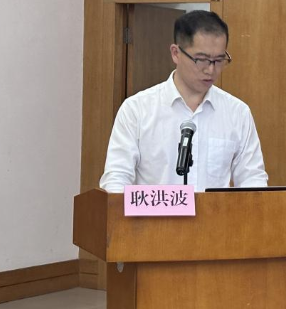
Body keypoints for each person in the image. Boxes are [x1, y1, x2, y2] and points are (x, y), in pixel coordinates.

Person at [99, 10, 268, 192]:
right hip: (155, 212)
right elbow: (116, 180)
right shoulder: (137, 109)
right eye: (201, 60)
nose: (211, 70)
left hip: (215, 212)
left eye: (219, 60)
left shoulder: (237, 112)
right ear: (176, 53)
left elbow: (253, 181)